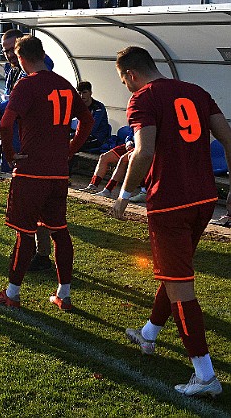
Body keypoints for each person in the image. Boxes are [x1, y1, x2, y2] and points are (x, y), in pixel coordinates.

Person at [111, 46, 230, 398]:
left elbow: (144, 151)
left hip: (170, 202)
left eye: (124, 82)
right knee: (173, 271)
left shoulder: (144, 98)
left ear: (131, 74)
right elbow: (227, 136)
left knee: (180, 286)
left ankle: (204, 374)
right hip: (205, 198)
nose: (127, 89)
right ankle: (149, 333)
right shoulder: (195, 91)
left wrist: (124, 194)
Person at [0, 35, 93, 310]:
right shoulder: (64, 84)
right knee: (60, 231)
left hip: (31, 170)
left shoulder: (27, 84)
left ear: (22, 58)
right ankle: (64, 293)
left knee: (24, 233)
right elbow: (87, 119)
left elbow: (6, 123)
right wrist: (71, 148)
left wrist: (11, 155)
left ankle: (12, 293)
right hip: (58, 172)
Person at [0, 28, 55, 272]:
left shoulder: (40, 72)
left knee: (36, 207)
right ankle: (38, 253)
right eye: (5, 51)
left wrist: (3, 109)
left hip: (33, 147)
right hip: (22, 142)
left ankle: (38, 256)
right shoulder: (14, 71)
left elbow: (23, 105)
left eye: (14, 50)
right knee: (34, 206)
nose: (10, 55)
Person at [81, 128, 134, 194]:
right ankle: (93, 185)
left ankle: (108, 190)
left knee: (123, 159)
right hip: (131, 145)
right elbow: (131, 133)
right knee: (104, 157)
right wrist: (128, 141)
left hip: (141, 147)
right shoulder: (138, 119)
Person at [75, 81, 111, 152]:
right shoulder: (79, 107)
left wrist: (76, 138)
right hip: (85, 135)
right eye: (79, 93)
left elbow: (92, 127)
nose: (82, 96)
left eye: (84, 92)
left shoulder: (98, 107)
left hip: (98, 137)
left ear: (90, 93)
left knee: (76, 145)